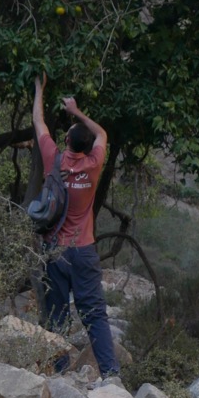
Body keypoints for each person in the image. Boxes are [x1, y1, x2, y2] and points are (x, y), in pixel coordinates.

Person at [32, 73, 120, 380]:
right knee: (95, 315)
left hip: (55, 251)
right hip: (84, 251)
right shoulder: (93, 165)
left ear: (67, 141)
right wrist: (77, 111)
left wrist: (39, 89)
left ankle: (59, 374)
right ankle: (111, 375)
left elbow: (39, 123)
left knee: (56, 316)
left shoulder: (54, 161)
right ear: (86, 145)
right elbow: (102, 134)